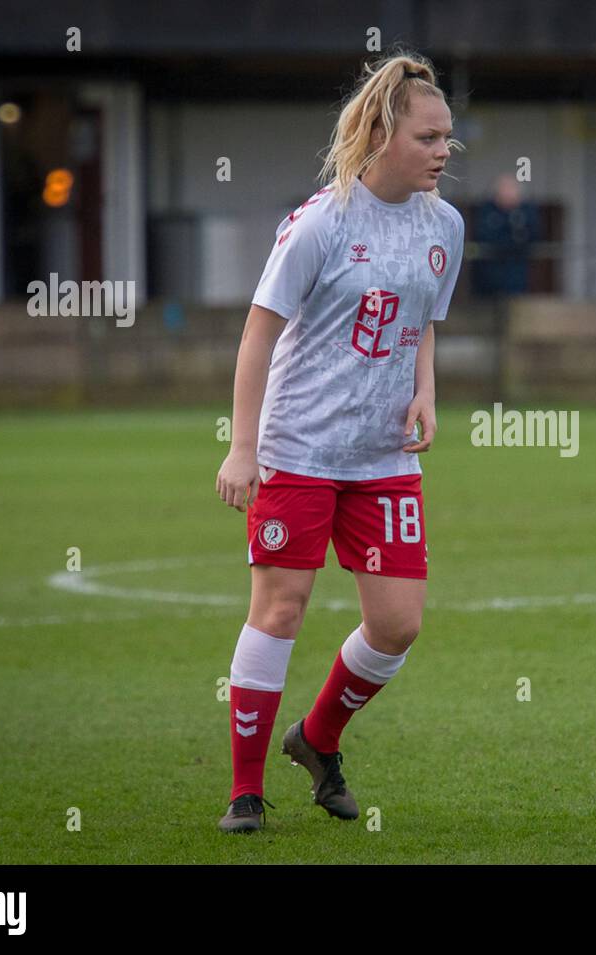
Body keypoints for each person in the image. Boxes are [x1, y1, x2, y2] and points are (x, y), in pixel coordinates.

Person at [213, 51, 464, 832]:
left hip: (383, 457)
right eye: (429, 137)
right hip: (300, 450)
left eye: (449, 137)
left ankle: (317, 740)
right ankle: (245, 791)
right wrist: (242, 446)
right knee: (281, 609)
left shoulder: (445, 227)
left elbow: (421, 319)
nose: (443, 151)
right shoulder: (321, 222)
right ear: (385, 133)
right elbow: (259, 334)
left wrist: (424, 387)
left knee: (397, 625)